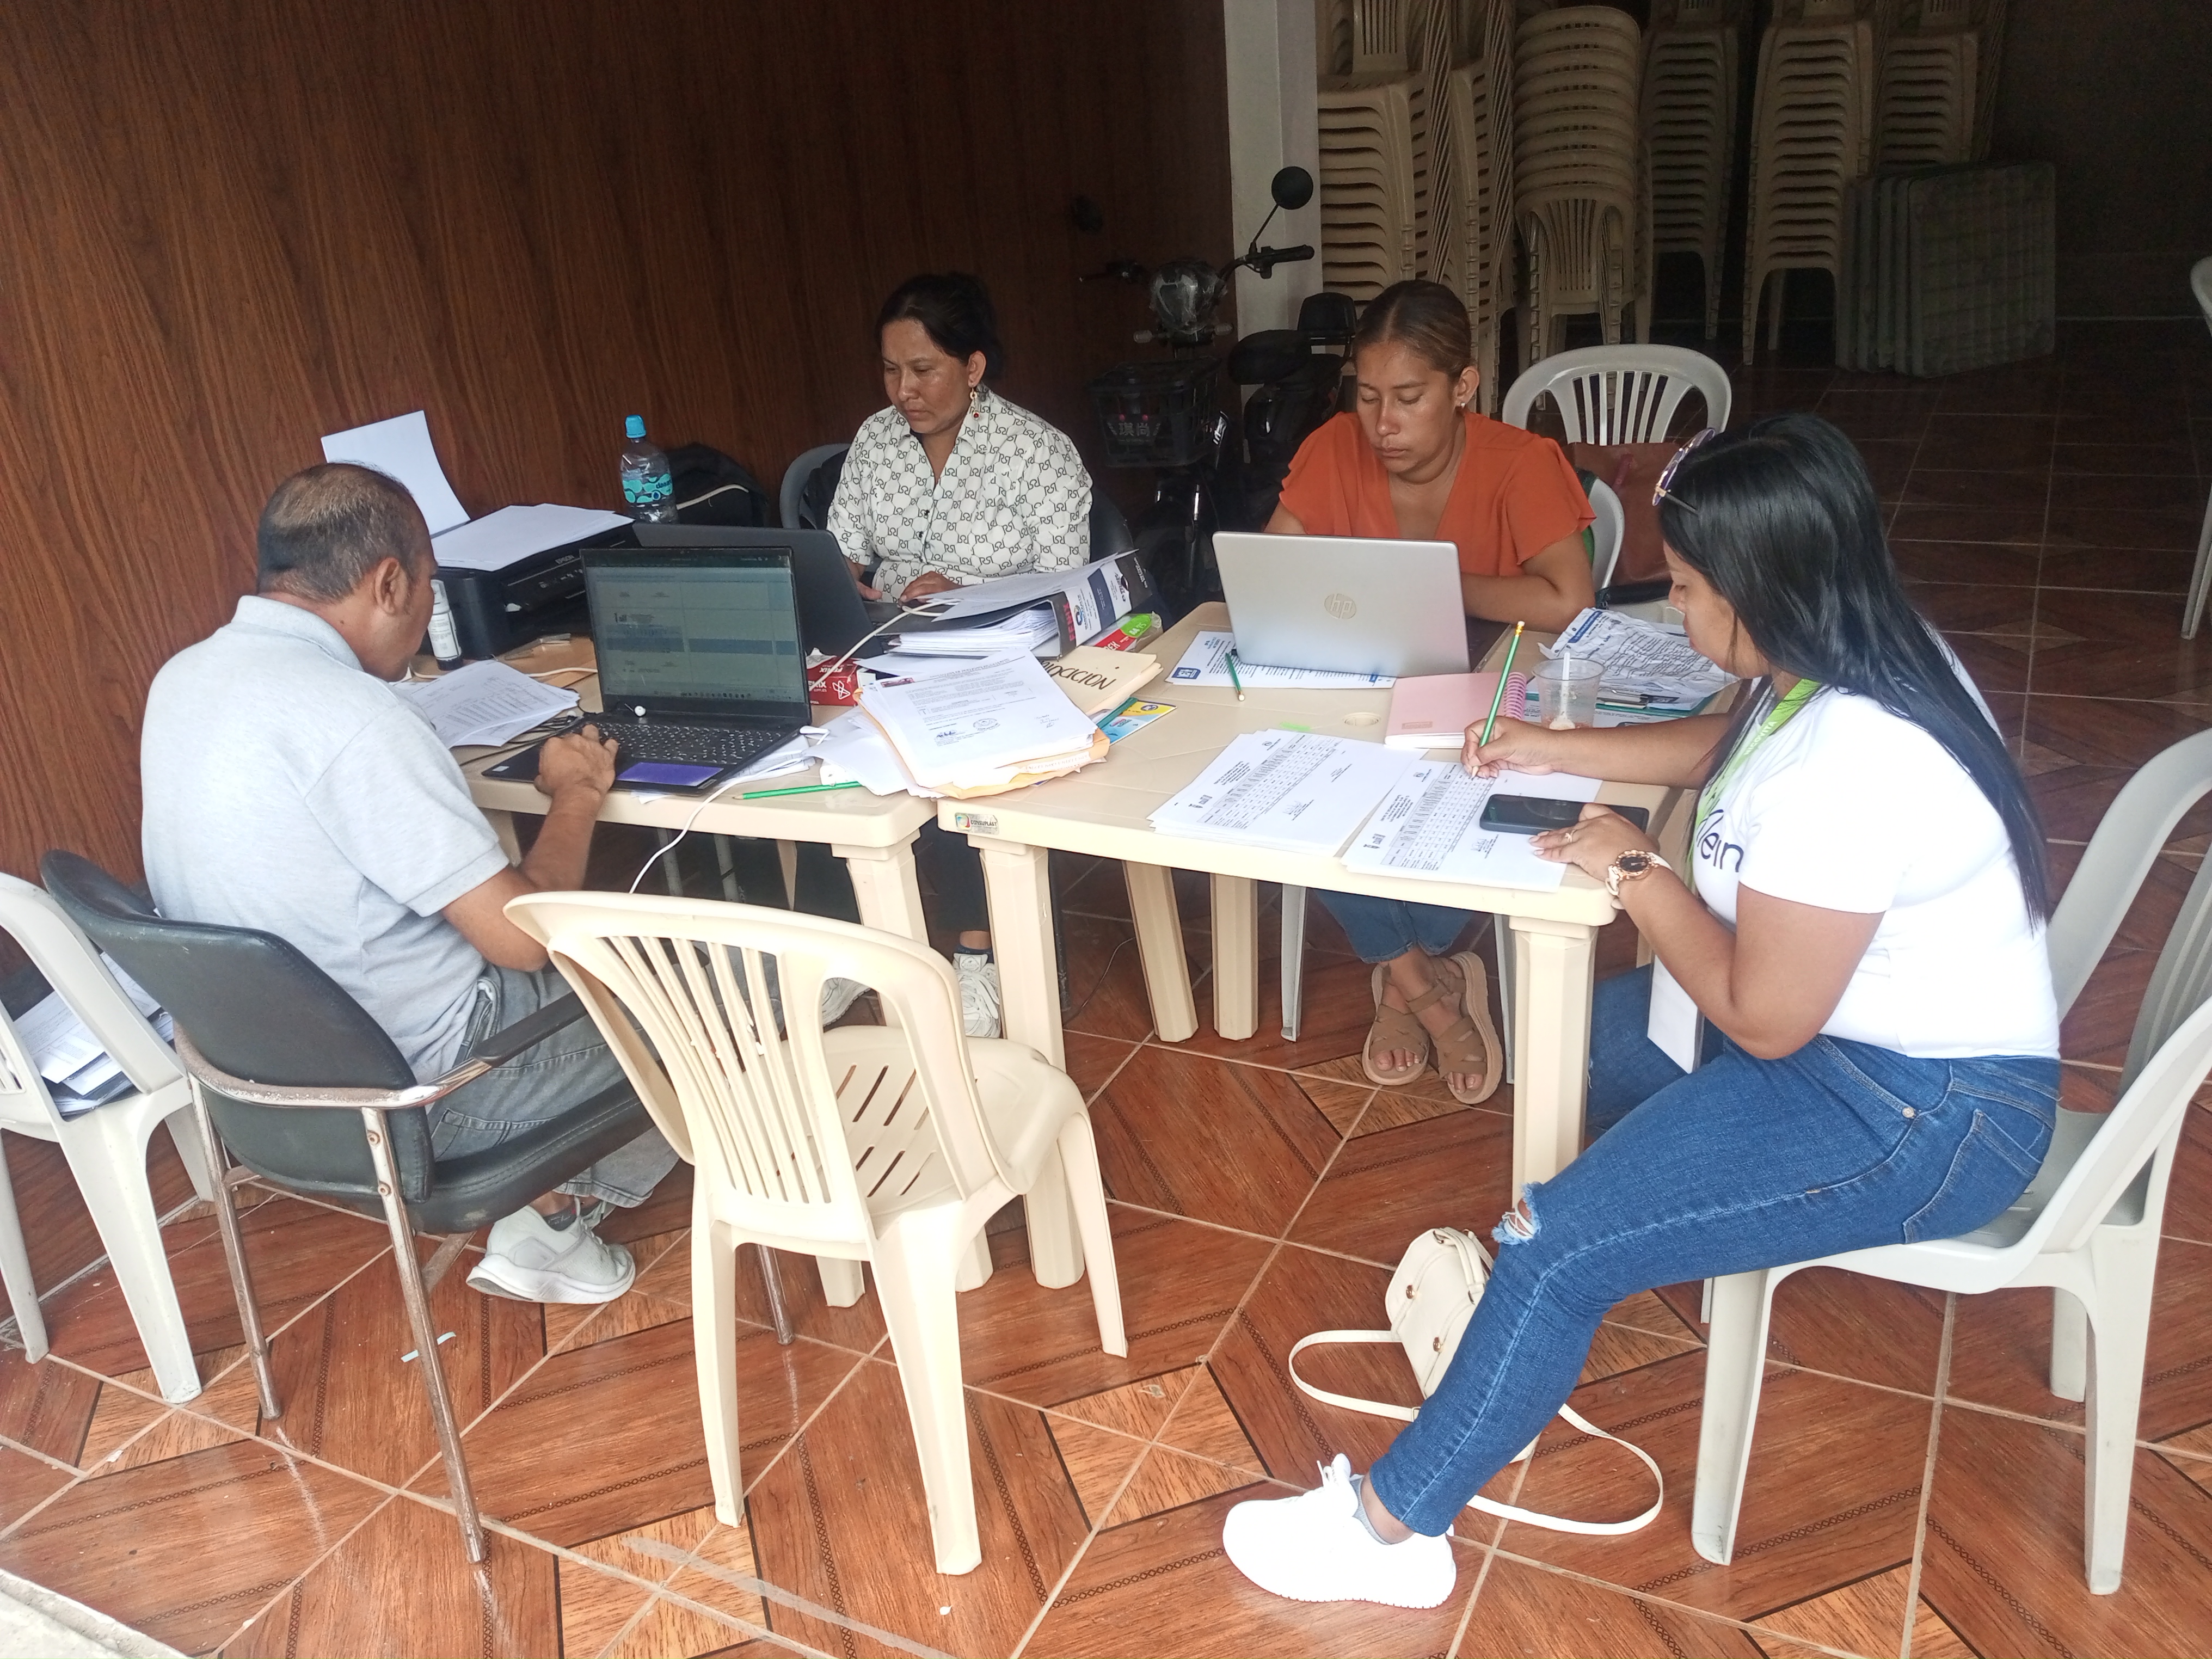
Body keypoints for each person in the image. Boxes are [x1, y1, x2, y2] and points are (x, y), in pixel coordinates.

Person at [1220, 414, 2060, 1611]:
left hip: (1918, 1109)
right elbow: (1730, 749)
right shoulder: (1839, 656)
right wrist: (1550, 744)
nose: (1676, 606)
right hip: (1840, 1042)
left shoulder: (1857, 765)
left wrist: (1632, 868)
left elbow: (1762, 1019)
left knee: (1556, 1245)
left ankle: (1392, 1533)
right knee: (1558, 1050)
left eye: (1687, 588)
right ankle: (1534, 1320)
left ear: (1764, 591)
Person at [140, 464, 678, 1306]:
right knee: (729, 990)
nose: (429, 608)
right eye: (429, 584)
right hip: (428, 1098)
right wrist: (576, 793)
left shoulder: (182, 680)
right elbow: (524, 940)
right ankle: (571, 1216)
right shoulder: (353, 718)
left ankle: (552, 1215)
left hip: (265, 1095)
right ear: (389, 583)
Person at [1275, 281, 1595, 1105]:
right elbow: (1277, 568)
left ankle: (1401, 975)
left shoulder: (1521, 463)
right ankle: (1429, 984)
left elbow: (1568, 601)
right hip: (1361, 689)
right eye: (1367, 396)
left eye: (1409, 398)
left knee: (1451, 801)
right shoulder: (1331, 449)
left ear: (1463, 386)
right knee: (1303, 788)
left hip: (1484, 694)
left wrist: (1428, 580)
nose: (1382, 423)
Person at [825, 272, 1095, 1034]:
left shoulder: (1037, 453)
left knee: (947, 762)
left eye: (924, 369)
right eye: (890, 370)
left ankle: (980, 955)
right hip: (890, 644)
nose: (903, 391)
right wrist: (842, 580)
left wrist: (968, 592)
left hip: (1003, 659)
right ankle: (844, 944)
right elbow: (845, 550)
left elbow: (1066, 588)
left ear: (973, 367)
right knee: (826, 751)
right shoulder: (877, 442)